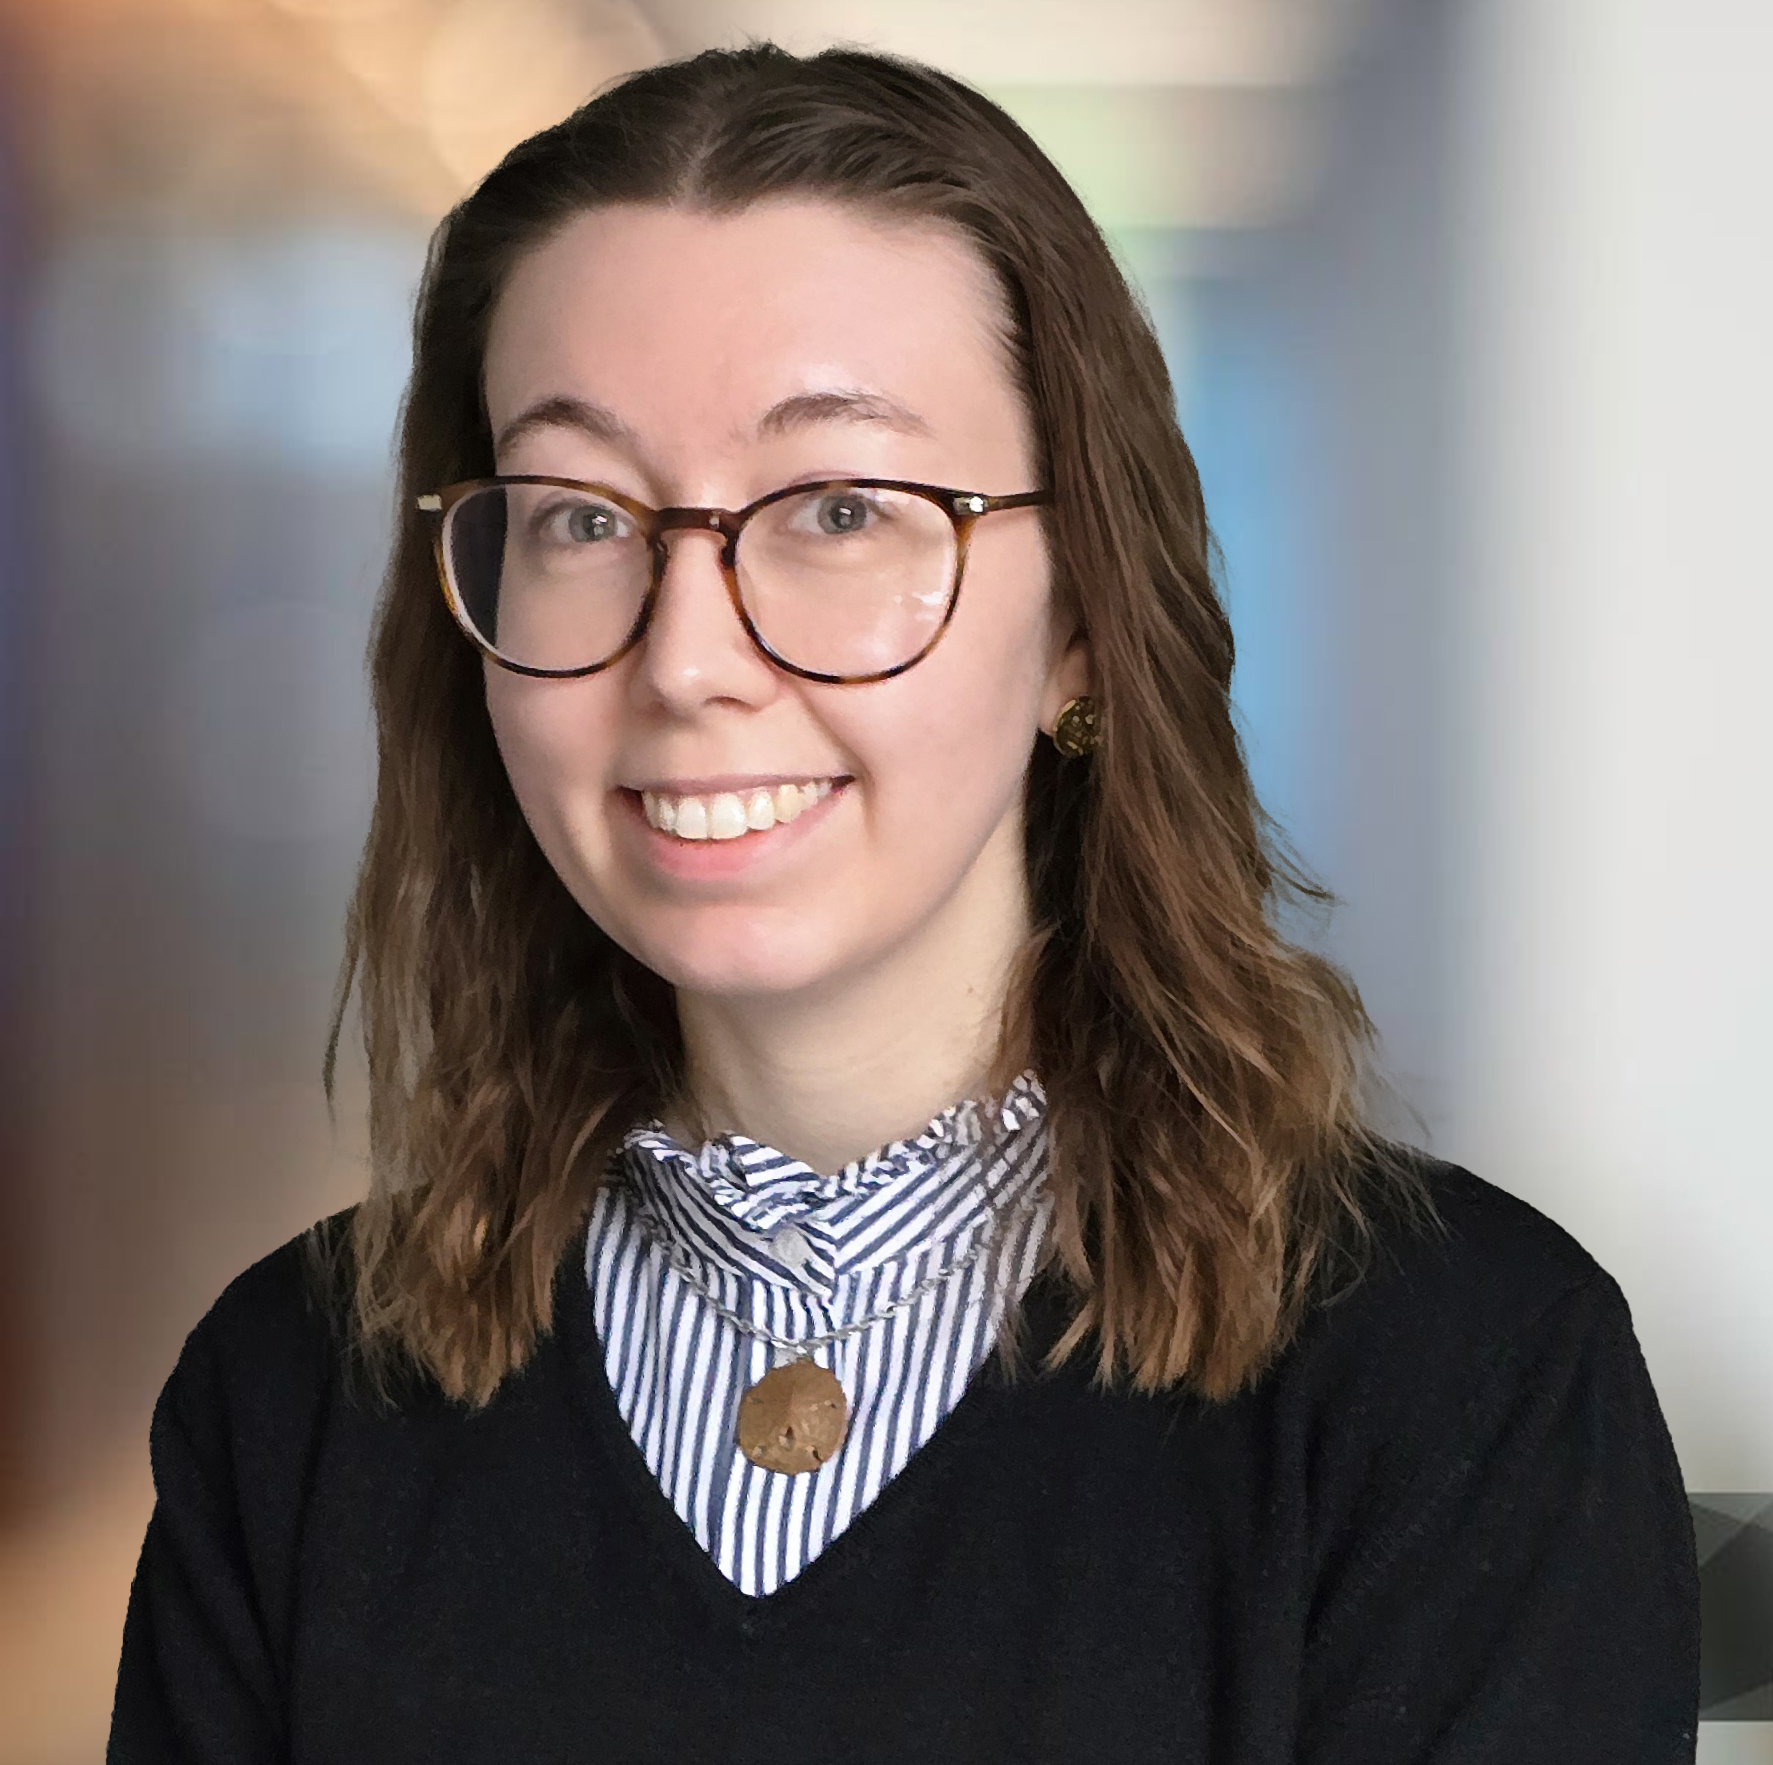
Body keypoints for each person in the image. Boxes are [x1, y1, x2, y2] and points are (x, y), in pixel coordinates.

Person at [107, 42, 1700, 1765]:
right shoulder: (289, 1397)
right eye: (579, 517)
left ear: (1080, 618)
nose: (686, 660)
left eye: (840, 507)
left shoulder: (1466, 1380)